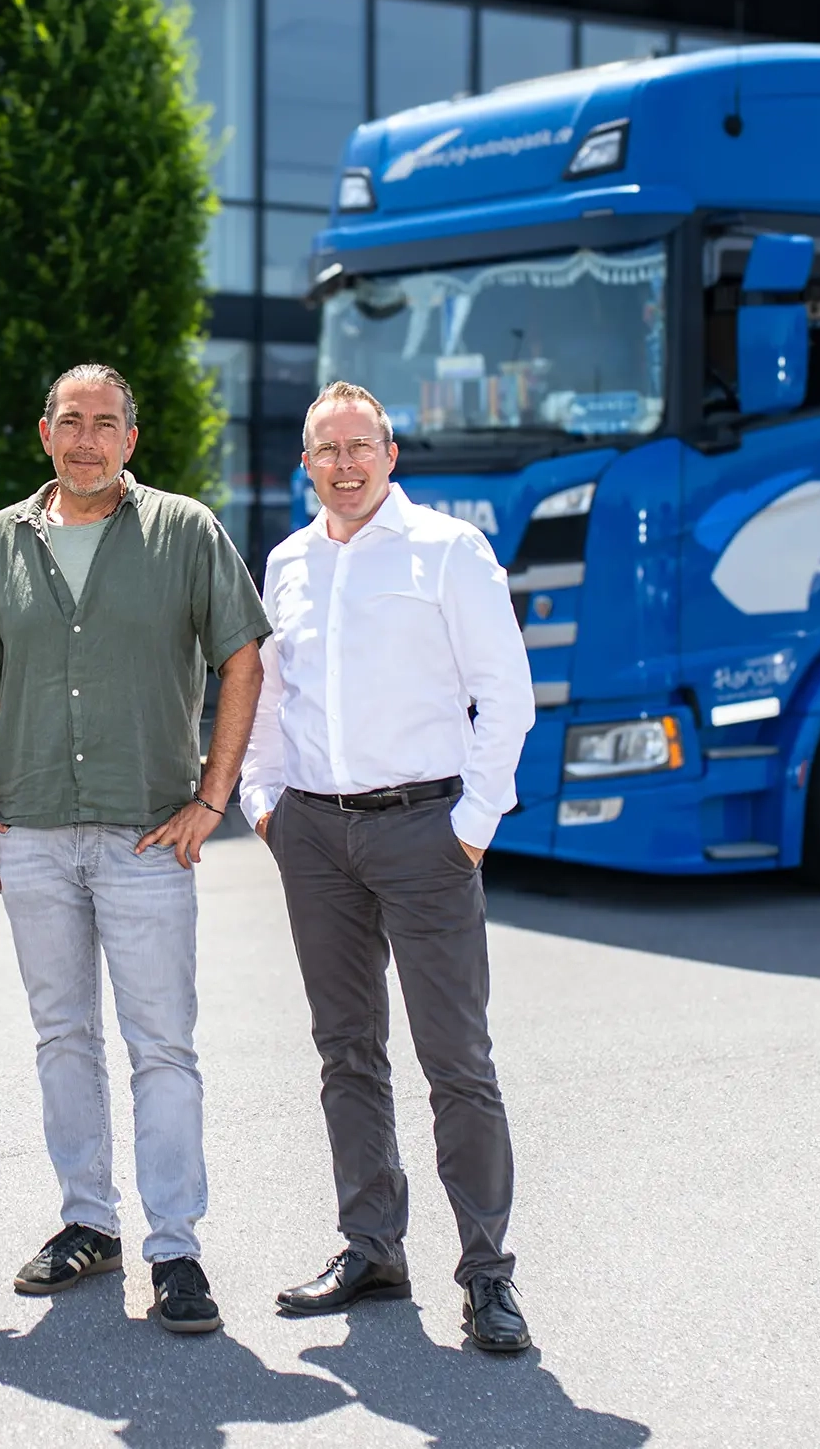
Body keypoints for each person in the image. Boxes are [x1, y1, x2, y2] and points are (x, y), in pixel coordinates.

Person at [0, 364, 268, 1335]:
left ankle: (176, 1247)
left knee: (161, 1045)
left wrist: (214, 795)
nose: (85, 438)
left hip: (144, 832)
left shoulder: (183, 532)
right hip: (34, 826)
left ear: (131, 437)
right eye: (69, 421)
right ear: (44, 433)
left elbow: (243, 654)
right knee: (62, 1037)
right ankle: (87, 1220)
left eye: (104, 423)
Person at [239, 380, 537, 1353]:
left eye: (357, 445)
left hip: (424, 830)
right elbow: (265, 691)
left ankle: (487, 1273)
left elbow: (505, 691)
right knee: (345, 1051)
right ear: (304, 462)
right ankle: (370, 1244)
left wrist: (473, 823)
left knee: (456, 1060)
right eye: (323, 449)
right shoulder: (284, 562)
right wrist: (264, 803)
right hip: (314, 836)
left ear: (389, 452)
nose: (342, 462)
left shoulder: (448, 550)